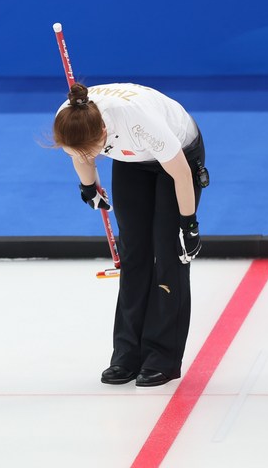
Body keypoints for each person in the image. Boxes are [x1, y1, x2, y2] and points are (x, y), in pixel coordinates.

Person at [52, 82, 208, 387]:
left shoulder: (139, 122)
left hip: (177, 158)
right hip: (131, 158)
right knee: (133, 253)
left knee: (168, 252)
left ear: (102, 136)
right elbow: (81, 154)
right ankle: (127, 353)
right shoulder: (70, 118)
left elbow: (181, 174)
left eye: (89, 150)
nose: (82, 155)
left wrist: (189, 225)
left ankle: (162, 356)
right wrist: (88, 187)